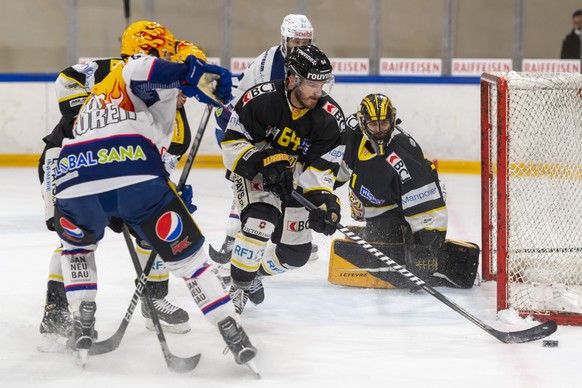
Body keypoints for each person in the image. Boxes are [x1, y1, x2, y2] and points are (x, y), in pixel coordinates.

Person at [46, 21, 257, 366]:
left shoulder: (104, 96)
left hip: (73, 179)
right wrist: (196, 74)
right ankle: (231, 332)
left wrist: (167, 187)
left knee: (78, 247)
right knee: (191, 262)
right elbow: (161, 72)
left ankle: (82, 323)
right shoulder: (134, 67)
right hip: (131, 175)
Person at [38, 27, 207, 338]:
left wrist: (168, 192)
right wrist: (90, 109)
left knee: (151, 230)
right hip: (64, 163)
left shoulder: (172, 118)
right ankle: (58, 310)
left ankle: (153, 300)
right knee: (71, 234)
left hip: (116, 175)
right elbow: (66, 79)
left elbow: (155, 166)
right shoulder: (115, 71)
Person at [220, 44, 346, 314]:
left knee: (295, 256)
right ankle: (237, 287)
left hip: (293, 183)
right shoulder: (260, 100)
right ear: (292, 79)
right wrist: (263, 161)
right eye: (312, 82)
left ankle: (253, 273)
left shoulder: (330, 118)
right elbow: (232, 144)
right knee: (260, 220)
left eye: (322, 82)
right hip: (257, 176)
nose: (318, 90)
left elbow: (322, 170)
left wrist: (325, 201)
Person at [332, 93, 479, 290]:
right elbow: (336, 168)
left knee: (398, 245)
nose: (379, 130)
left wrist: (426, 246)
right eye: (373, 124)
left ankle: (437, 258)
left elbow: (425, 199)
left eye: (383, 123)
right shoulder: (352, 135)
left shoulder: (402, 154)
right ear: (362, 122)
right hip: (384, 201)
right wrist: (319, 193)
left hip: (414, 203)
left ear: (392, 119)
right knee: (380, 238)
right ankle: (394, 235)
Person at [209, 14, 318, 267]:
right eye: (294, 42)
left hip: (293, 135)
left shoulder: (314, 63)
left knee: (296, 183)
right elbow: (245, 98)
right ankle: (233, 235)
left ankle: (298, 237)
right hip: (263, 133)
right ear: (284, 39)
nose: (300, 47)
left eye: (305, 42)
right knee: (250, 180)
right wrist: (223, 105)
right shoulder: (266, 63)